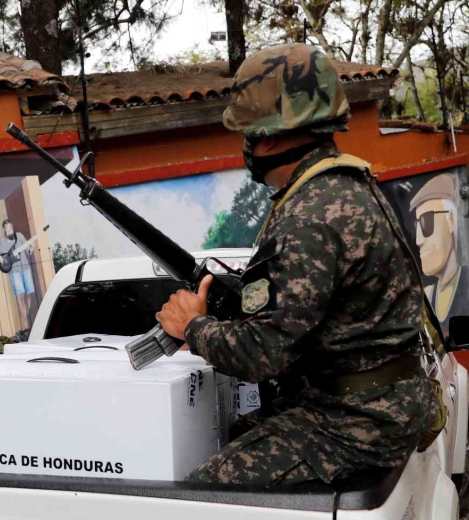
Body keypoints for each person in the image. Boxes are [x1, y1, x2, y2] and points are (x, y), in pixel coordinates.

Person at [157, 44, 439, 486]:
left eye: (247, 134)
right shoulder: (347, 184)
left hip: (357, 422)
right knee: (232, 435)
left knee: (202, 490)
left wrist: (192, 326)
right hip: (380, 403)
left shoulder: (308, 217)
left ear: (267, 136)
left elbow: (263, 356)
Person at [410, 173, 469, 331]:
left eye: (426, 222)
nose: (418, 240)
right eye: (417, 226)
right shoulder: (428, 296)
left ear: (451, 219)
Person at [0, 219, 36, 332]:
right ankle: (25, 327)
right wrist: (0, 258)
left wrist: (31, 248)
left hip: (26, 268)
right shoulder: (1, 241)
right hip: (14, 271)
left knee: (29, 295)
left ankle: (25, 317)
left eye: (11, 228)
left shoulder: (19, 236)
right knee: (20, 296)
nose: (10, 231)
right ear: (4, 230)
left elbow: (29, 251)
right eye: (7, 229)